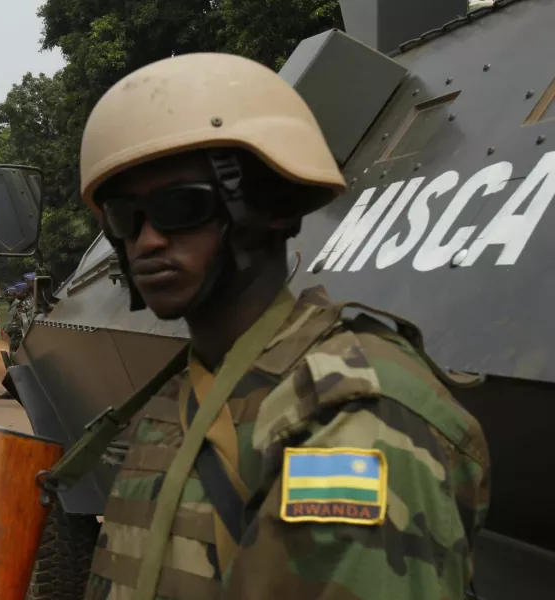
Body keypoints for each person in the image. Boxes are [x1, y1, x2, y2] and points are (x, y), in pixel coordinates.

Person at [58, 53, 490, 599]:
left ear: (274, 209)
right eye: (126, 218)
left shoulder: (354, 417)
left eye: (180, 207)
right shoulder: (185, 393)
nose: (146, 241)